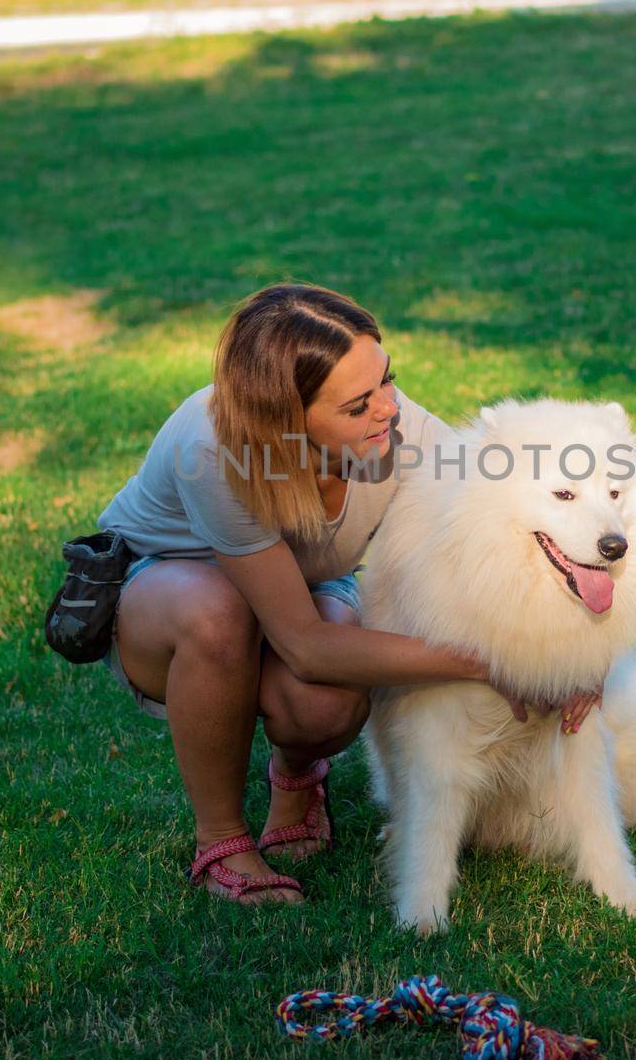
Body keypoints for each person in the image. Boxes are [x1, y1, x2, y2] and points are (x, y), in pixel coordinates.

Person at [95, 282, 600, 907]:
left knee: (328, 706)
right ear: (286, 419)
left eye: (387, 380)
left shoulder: (394, 420)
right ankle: (222, 839)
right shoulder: (215, 452)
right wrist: (495, 664)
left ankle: (297, 776)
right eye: (358, 404)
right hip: (166, 590)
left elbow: (502, 513)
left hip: (302, 584)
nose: (389, 410)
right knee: (218, 609)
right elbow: (307, 647)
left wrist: (571, 652)